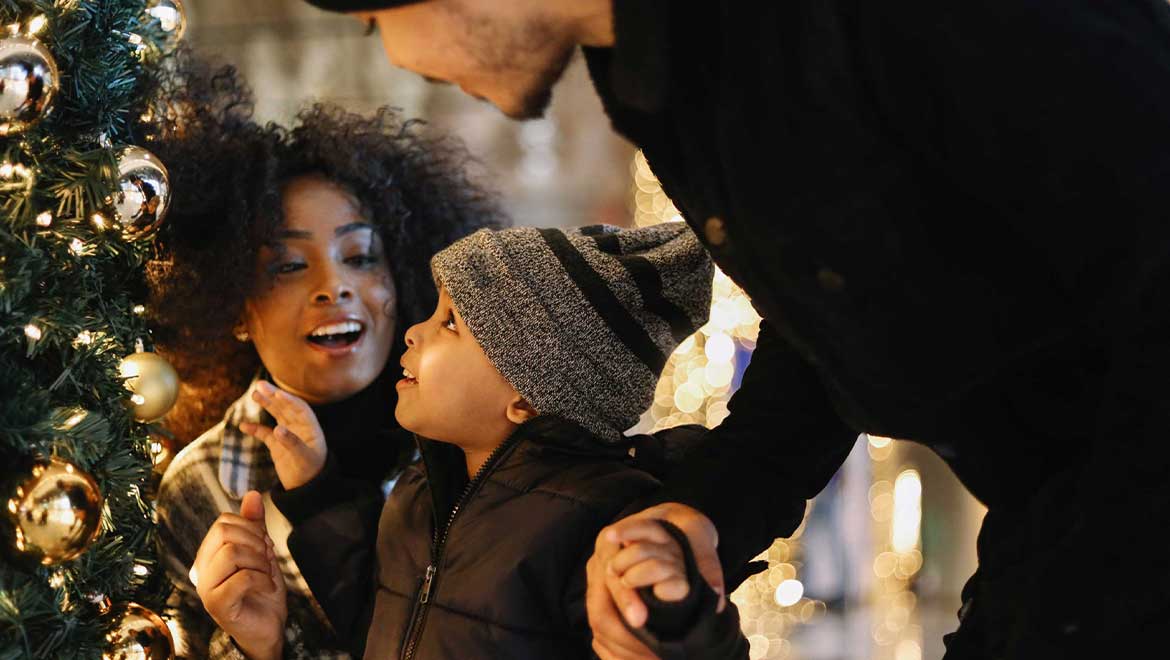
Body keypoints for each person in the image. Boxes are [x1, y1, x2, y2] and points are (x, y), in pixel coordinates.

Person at [299, 1, 1170, 658]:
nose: (391, 49)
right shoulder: (678, 79)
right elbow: (825, 320)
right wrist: (709, 512)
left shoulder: (869, 31)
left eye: (376, 12)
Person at [192, 222, 752, 659]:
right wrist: (316, 488)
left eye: (450, 322)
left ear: (529, 394)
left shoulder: (600, 521)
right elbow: (380, 622)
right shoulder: (420, 489)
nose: (414, 329)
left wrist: (677, 622)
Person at [149, 59, 505, 659]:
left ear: (405, 278)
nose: (333, 286)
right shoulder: (206, 484)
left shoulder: (480, 435)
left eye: (361, 256)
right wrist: (256, 648)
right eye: (288, 265)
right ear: (234, 306)